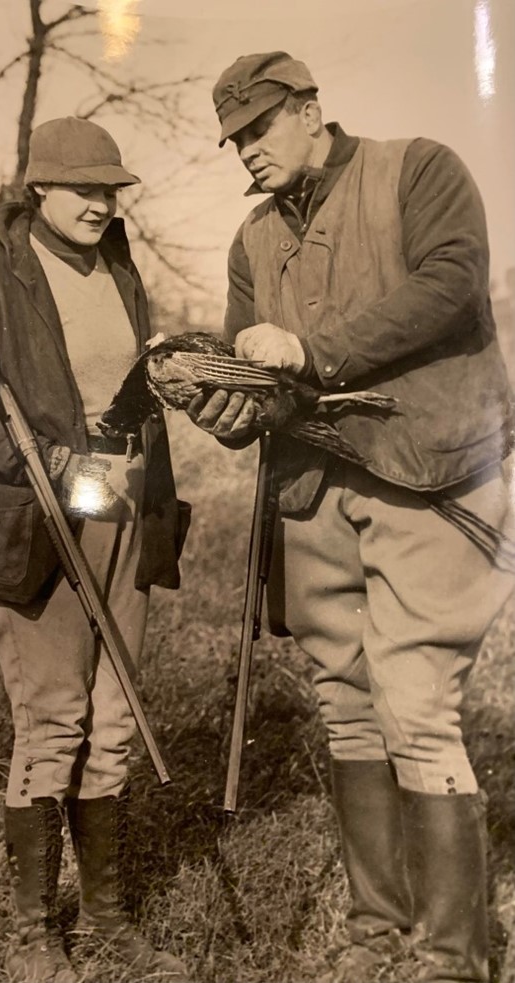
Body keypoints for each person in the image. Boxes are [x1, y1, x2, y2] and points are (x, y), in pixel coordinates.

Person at [188, 51, 514, 983]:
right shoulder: (250, 240)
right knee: (347, 708)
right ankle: (376, 935)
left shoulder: (418, 168)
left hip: (429, 478)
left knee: (415, 707)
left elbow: (452, 282)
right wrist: (229, 405)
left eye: (258, 128)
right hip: (315, 494)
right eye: (233, 139)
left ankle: (450, 957)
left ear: (309, 109)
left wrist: (308, 348)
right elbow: (268, 382)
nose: (244, 151)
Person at [0, 117, 190, 983]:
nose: (103, 204)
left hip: (120, 512)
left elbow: (125, 389)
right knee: (53, 720)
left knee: (111, 722)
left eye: (112, 190)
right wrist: (41, 460)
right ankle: (32, 934)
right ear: (39, 187)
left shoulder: (117, 266)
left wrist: (166, 381)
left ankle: (107, 924)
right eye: (85, 189)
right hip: (33, 521)